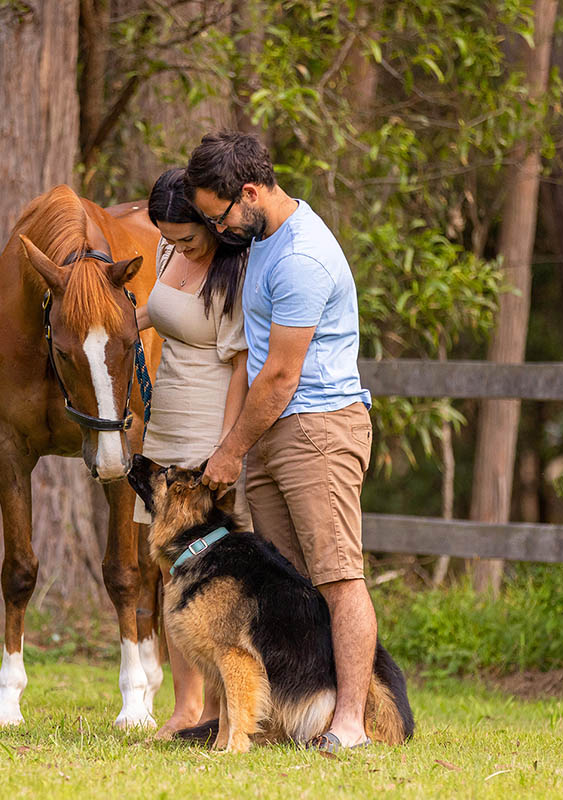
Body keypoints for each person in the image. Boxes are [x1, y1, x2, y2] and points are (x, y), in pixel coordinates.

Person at [186, 131, 378, 753]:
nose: (218, 231)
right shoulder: (262, 242)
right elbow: (251, 358)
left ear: (249, 192)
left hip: (318, 429)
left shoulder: (302, 257)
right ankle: (288, 716)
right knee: (287, 585)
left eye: (219, 217)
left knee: (337, 576)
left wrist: (230, 452)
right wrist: (232, 442)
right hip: (273, 432)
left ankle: (350, 722)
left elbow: (281, 375)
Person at [135, 167, 252, 740]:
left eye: (186, 237)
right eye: (168, 238)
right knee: (168, 571)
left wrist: (225, 451)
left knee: (211, 572)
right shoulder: (166, 252)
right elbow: (158, 315)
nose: (177, 246)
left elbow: (239, 368)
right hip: (165, 421)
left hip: (210, 424)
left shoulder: (234, 268)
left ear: (209, 220)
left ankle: (219, 711)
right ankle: (184, 707)